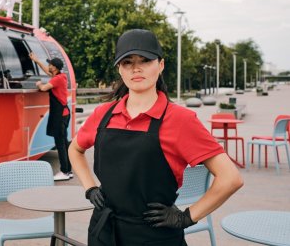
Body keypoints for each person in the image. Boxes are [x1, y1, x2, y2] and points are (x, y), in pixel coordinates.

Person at [68, 29, 243, 245]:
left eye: (145, 60)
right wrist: (90, 187)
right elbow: (74, 149)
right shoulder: (103, 114)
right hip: (104, 231)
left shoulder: (181, 119)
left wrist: (187, 217)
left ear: (160, 65)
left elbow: (230, 178)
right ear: (119, 69)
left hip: (155, 236)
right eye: (127, 62)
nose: (136, 68)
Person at [30, 53, 73, 181]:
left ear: (54, 67)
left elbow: (44, 88)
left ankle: (64, 171)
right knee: (64, 143)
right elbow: (47, 72)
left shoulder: (56, 79)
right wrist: (36, 60)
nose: (48, 66)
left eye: (50, 64)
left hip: (59, 115)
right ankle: (68, 171)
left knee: (60, 144)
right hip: (64, 114)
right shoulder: (61, 76)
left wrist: (38, 84)